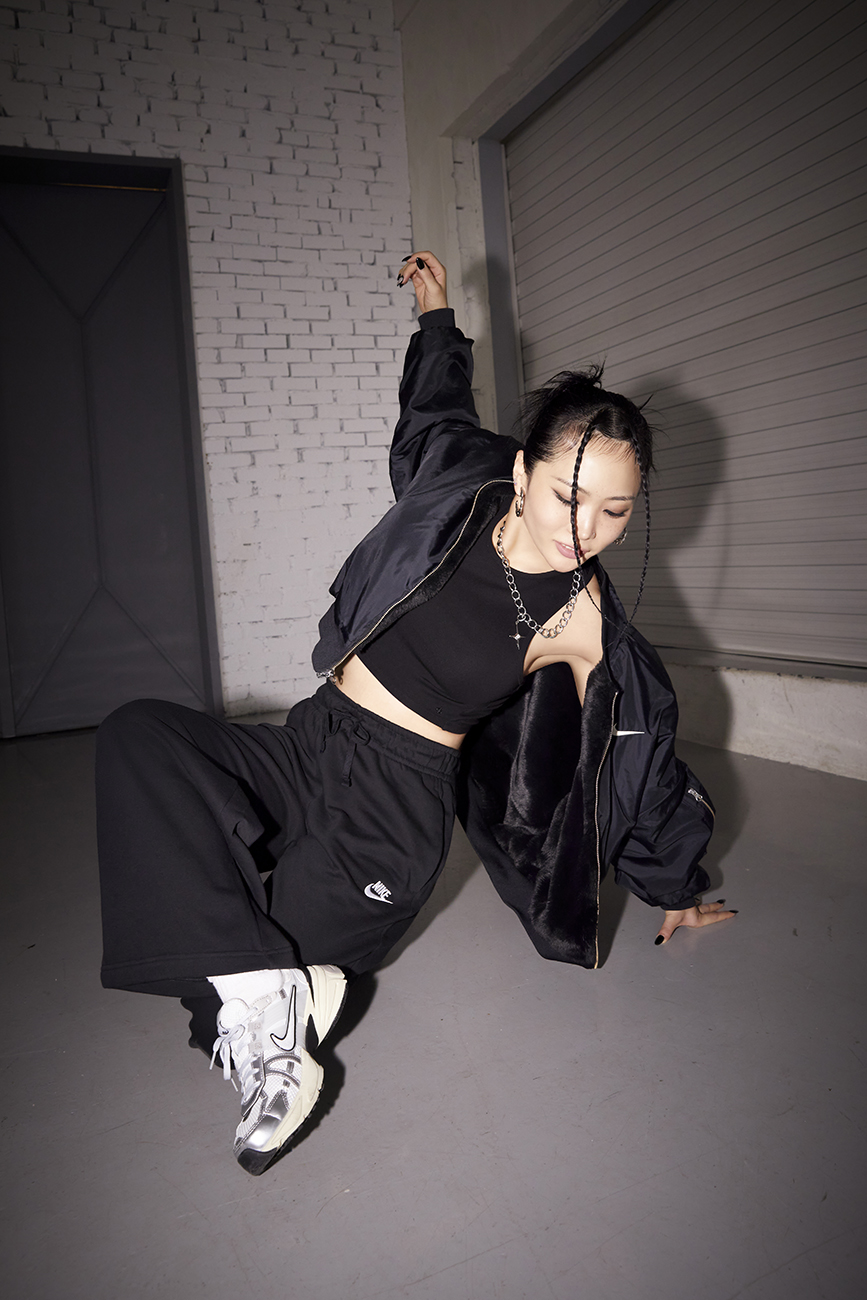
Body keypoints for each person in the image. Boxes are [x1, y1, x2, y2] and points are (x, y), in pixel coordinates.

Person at [96, 252, 734, 1177]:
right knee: (140, 736)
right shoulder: (462, 482)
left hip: (392, 814)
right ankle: (274, 996)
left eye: (613, 512)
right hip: (312, 740)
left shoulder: (584, 622)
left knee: (219, 980)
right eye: (567, 496)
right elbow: (434, 410)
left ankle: (273, 999)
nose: (582, 529)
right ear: (521, 472)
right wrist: (436, 315)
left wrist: (675, 884)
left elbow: (641, 755)